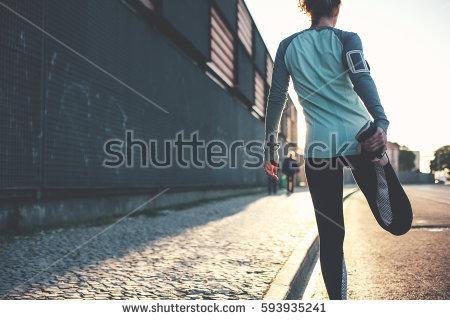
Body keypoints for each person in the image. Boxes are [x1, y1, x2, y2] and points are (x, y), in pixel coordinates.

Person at [263, 0, 411, 300]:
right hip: (361, 140)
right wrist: (381, 121)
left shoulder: (287, 46)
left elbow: (276, 96)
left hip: (318, 149)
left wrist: (270, 147)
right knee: (398, 222)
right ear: (337, 7)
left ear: (308, 8)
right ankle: (380, 162)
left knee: (331, 238)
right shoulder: (346, 39)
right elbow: (361, 77)